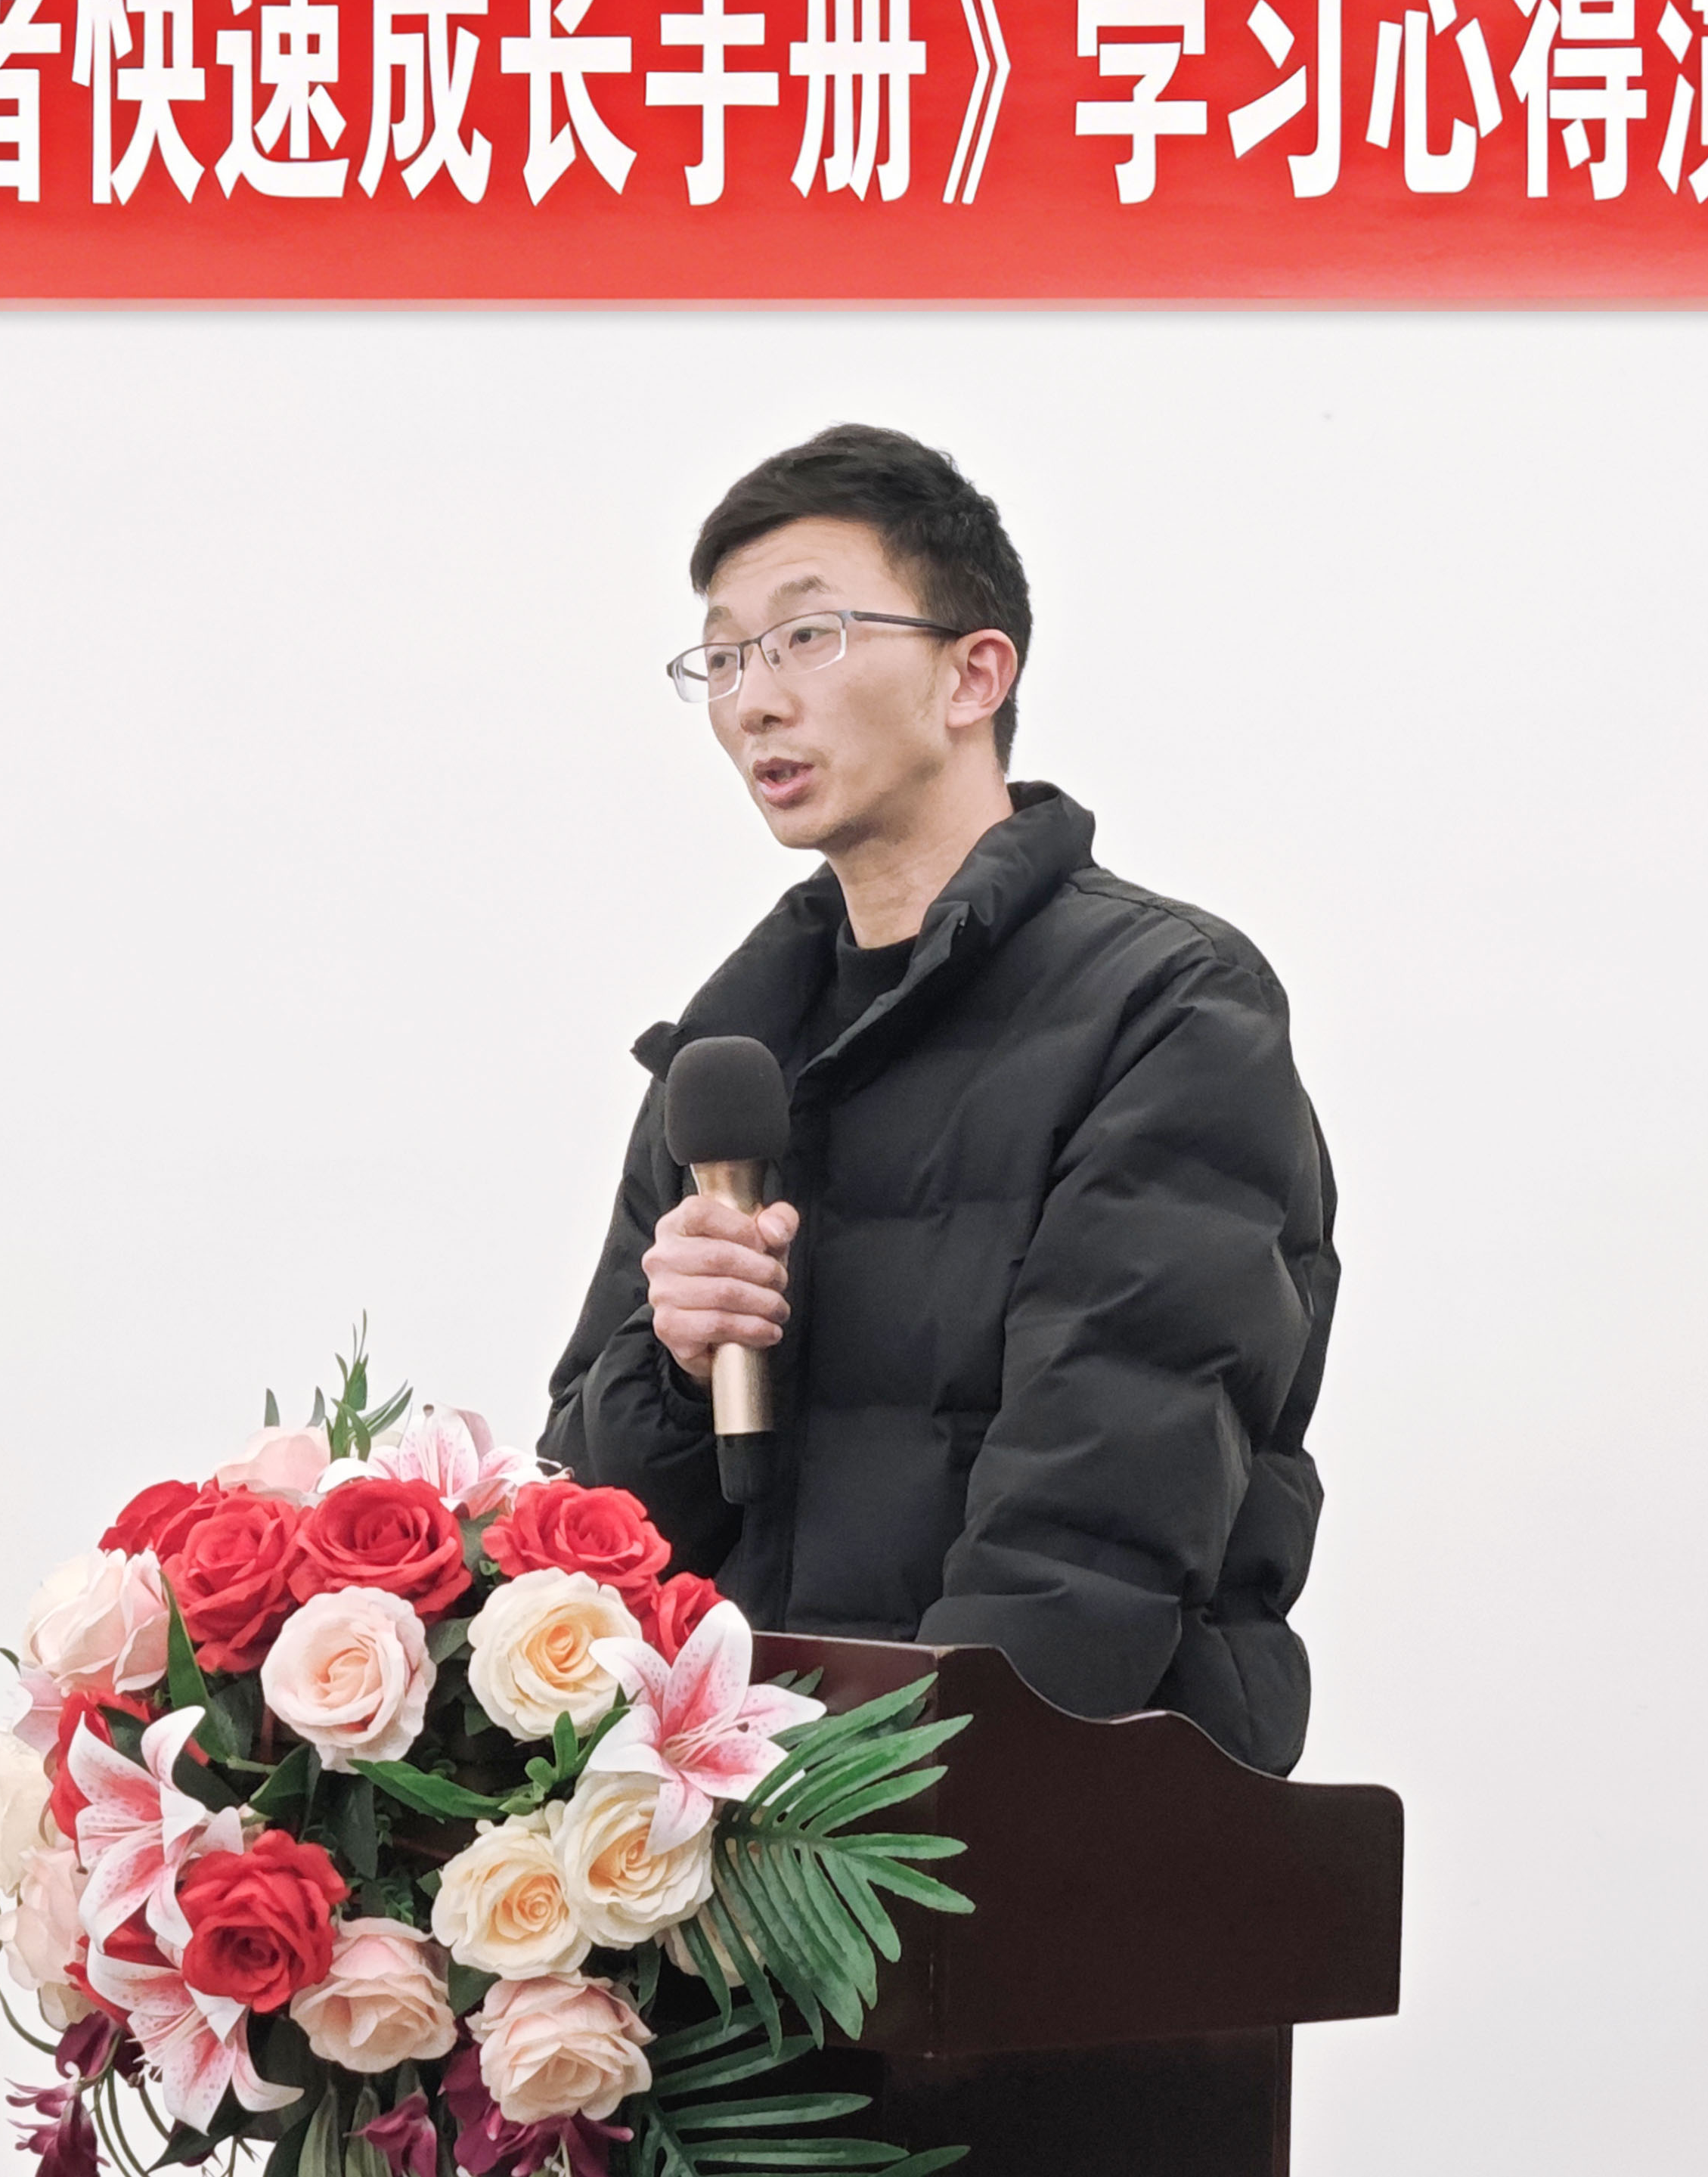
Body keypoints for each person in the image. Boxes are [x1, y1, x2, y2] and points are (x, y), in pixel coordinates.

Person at [537, 423, 1338, 1775]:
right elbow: (579, 1541)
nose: (754, 700)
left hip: (1022, 1833)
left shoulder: (1168, 1008)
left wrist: (878, 1827)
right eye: (723, 658)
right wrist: (674, 1369)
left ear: (976, 673)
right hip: (738, 1841)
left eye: (807, 636)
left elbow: (1095, 1535)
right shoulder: (728, 1059)